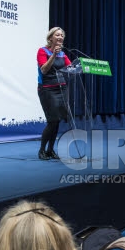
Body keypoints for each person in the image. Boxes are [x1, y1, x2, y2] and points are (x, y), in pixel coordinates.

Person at [37, 27, 72, 160]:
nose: (60, 37)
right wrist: (53, 55)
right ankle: (42, 150)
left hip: (61, 88)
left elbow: (70, 68)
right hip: (47, 89)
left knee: (57, 121)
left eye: (62, 35)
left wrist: (78, 67)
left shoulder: (63, 54)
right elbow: (44, 69)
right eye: (57, 35)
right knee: (52, 121)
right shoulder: (42, 51)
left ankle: (51, 150)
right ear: (50, 37)